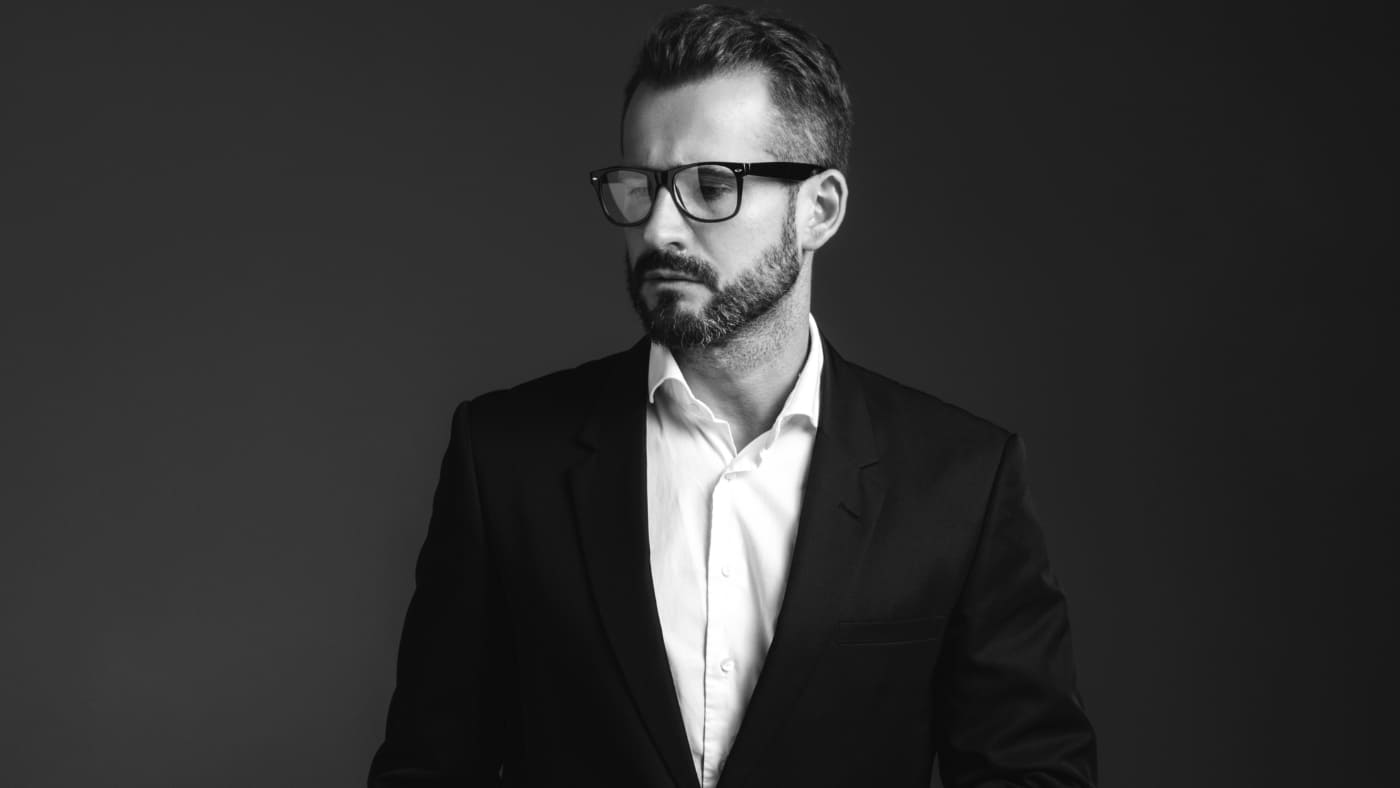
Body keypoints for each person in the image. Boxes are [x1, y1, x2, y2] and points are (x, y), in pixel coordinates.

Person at [367, 5, 1097, 787]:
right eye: (640, 187)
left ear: (819, 210)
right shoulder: (506, 459)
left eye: (711, 186)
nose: (659, 231)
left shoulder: (959, 481)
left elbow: (1034, 773)